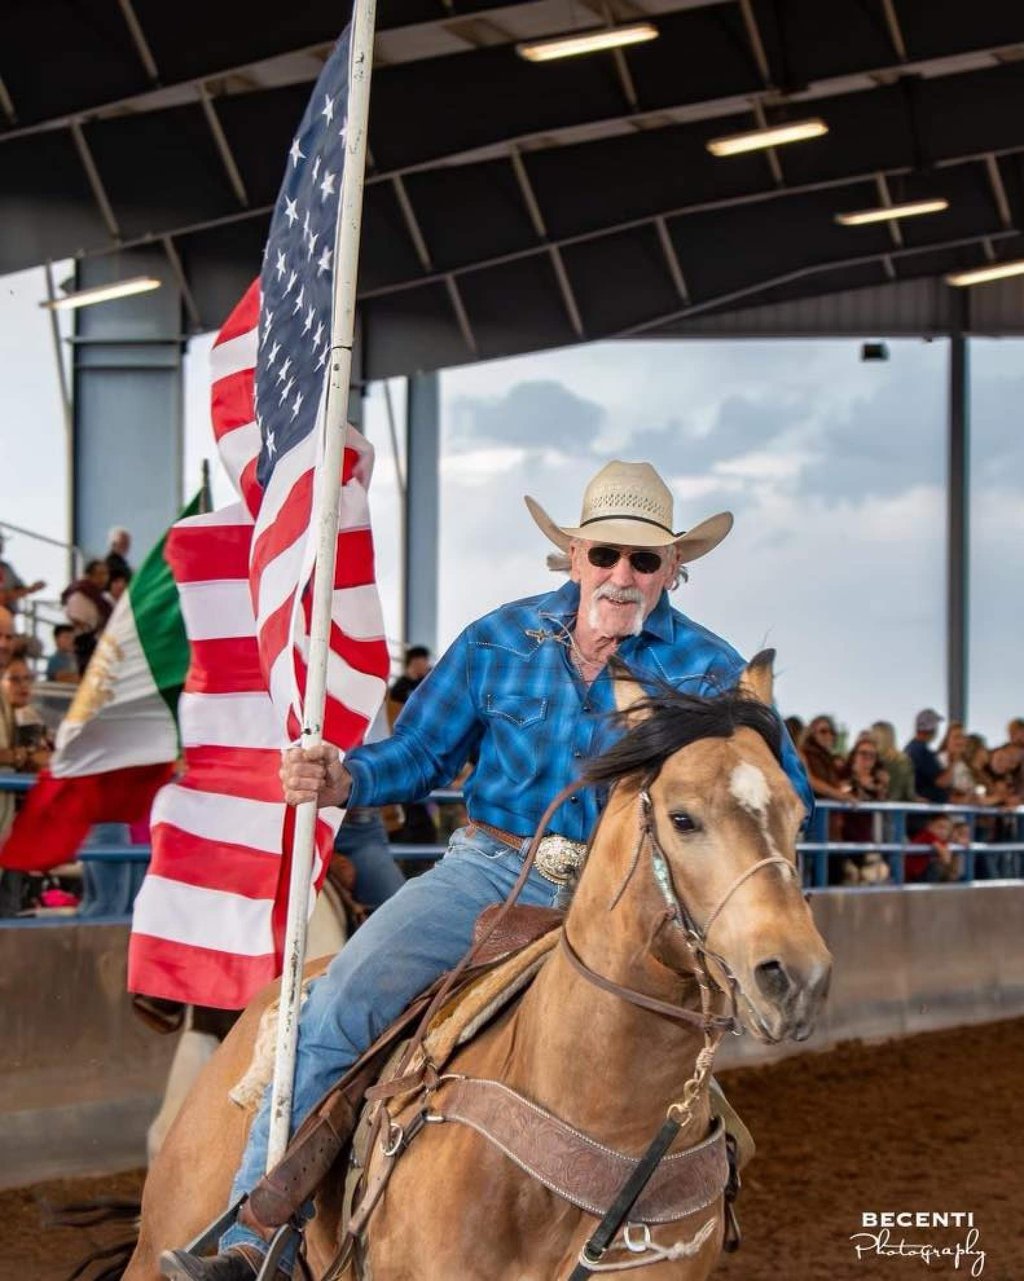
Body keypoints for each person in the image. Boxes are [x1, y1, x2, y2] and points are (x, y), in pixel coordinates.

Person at [161, 459, 813, 1280]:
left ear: (676, 568)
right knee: (338, 1006)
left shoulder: (712, 670)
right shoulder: (499, 638)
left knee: (674, 1070)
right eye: (606, 553)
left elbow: (781, 793)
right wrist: (344, 778)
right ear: (573, 554)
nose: (622, 574)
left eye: (645, 560)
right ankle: (256, 1234)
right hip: (488, 870)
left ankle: (668, 1226)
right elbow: (422, 751)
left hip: (623, 901)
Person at [904, 708, 954, 805]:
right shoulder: (922, 752)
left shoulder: (909, 748)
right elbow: (942, 781)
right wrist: (953, 760)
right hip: (927, 810)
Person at [870, 720, 916, 803]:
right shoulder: (873, 760)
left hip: (895, 808)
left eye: (876, 739)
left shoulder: (901, 762)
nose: (872, 742)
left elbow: (901, 792)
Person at [0, 531, 45, 613]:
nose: (2, 545)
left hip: (9, 616)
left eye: (2, 542)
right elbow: (3, 597)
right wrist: (30, 589)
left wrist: (30, 589)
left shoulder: (7, 568)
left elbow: (20, 587)